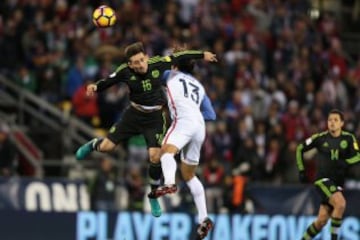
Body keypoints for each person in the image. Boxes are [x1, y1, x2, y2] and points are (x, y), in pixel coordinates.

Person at [75, 42, 217, 217]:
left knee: (155, 156)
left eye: (142, 60)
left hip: (155, 118)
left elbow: (180, 56)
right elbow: (109, 81)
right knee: (107, 148)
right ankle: (93, 144)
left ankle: (153, 196)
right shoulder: (124, 71)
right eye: (136, 62)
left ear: (147, 58)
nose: (141, 65)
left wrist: (203, 54)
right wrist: (95, 87)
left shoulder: (158, 63)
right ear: (130, 64)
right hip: (133, 115)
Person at [150, 55, 216, 239]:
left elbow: (149, 74)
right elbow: (211, 114)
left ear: (175, 66)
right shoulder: (199, 87)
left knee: (165, 153)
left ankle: (169, 183)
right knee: (189, 175)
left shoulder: (170, 74)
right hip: (200, 126)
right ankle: (203, 218)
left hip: (184, 121)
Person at [296, 109, 360, 240]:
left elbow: (357, 156)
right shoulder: (320, 138)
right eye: (330, 120)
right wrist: (302, 170)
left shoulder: (348, 138)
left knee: (321, 221)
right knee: (340, 203)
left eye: (336, 120)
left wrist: (345, 162)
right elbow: (300, 148)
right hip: (322, 180)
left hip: (337, 184)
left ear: (342, 123)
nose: (332, 123)